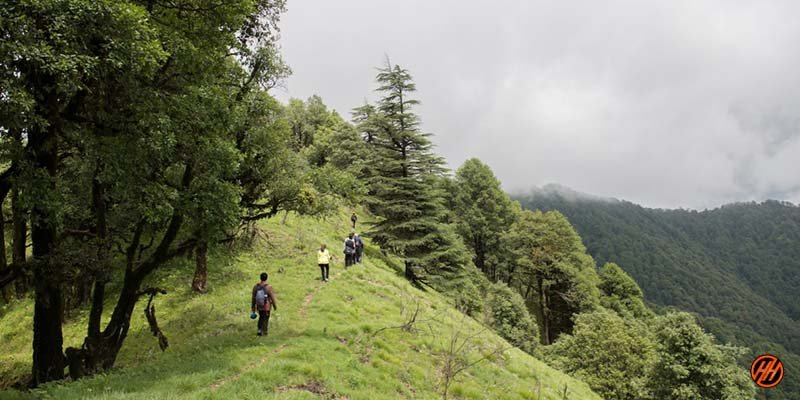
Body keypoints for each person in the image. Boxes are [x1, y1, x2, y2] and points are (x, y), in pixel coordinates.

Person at [251, 272, 277, 336]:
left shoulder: (256, 287)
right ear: (266, 278)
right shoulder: (268, 287)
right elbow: (272, 297)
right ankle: (264, 332)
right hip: (266, 306)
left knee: (261, 317)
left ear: (260, 278)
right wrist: (274, 306)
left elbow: (253, 298)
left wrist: (253, 307)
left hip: (259, 305)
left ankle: (259, 330)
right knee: (265, 318)